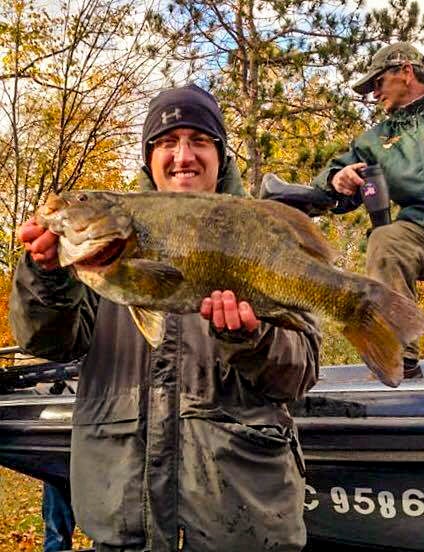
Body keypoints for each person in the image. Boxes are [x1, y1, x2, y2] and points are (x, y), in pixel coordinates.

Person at [9, 84, 321, 552]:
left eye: (199, 140)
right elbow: (48, 343)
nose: (183, 156)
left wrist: (251, 341)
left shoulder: (262, 232)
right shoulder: (90, 259)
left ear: (221, 155)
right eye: (166, 142)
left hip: (245, 531)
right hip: (123, 526)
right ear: (148, 159)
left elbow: (299, 374)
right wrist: (47, 275)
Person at [312, 42, 424, 380]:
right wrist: (337, 179)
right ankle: (399, 362)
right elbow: (329, 177)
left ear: (406, 72)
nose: (373, 94)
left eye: (378, 83)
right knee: (387, 241)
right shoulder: (376, 140)